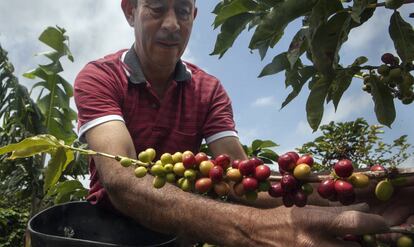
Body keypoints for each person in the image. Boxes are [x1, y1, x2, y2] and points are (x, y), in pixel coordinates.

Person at [74, 0, 413, 246]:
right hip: (108, 233)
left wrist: (356, 196)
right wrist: (257, 228)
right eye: (157, 8)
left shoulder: (208, 90)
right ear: (130, 10)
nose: (172, 25)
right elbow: (122, 181)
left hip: (177, 228)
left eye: (182, 10)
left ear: (194, 15)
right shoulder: (100, 77)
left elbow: (243, 181)